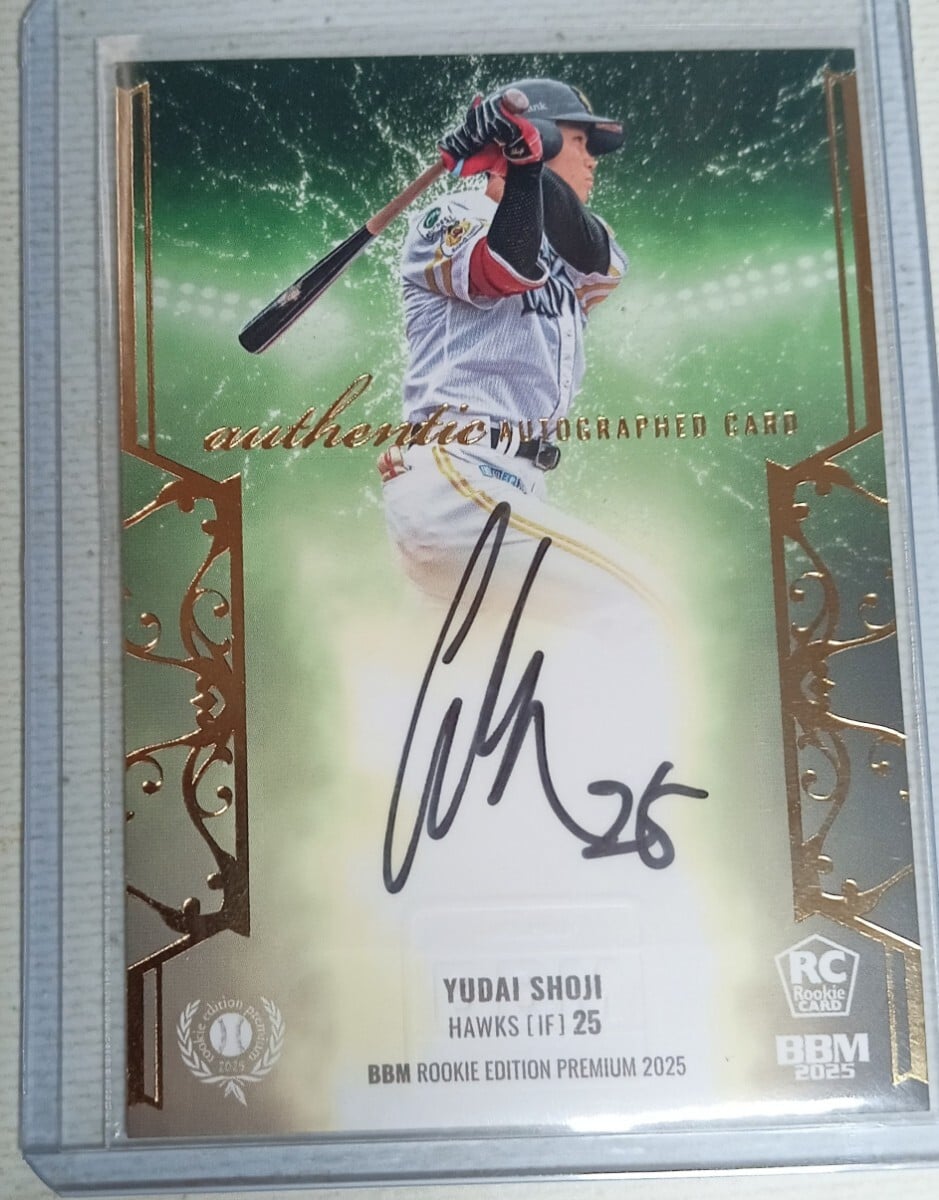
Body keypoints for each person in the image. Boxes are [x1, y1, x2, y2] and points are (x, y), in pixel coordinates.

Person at [380, 77, 662, 622]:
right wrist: (522, 161)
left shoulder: (579, 237)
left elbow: (593, 252)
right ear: (546, 136)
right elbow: (505, 267)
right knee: (634, 604)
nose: (593, 160)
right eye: (579, 141)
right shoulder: (451, 216)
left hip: (518, 486)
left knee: (520, 659)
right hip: (458, 480)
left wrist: (522, 163)